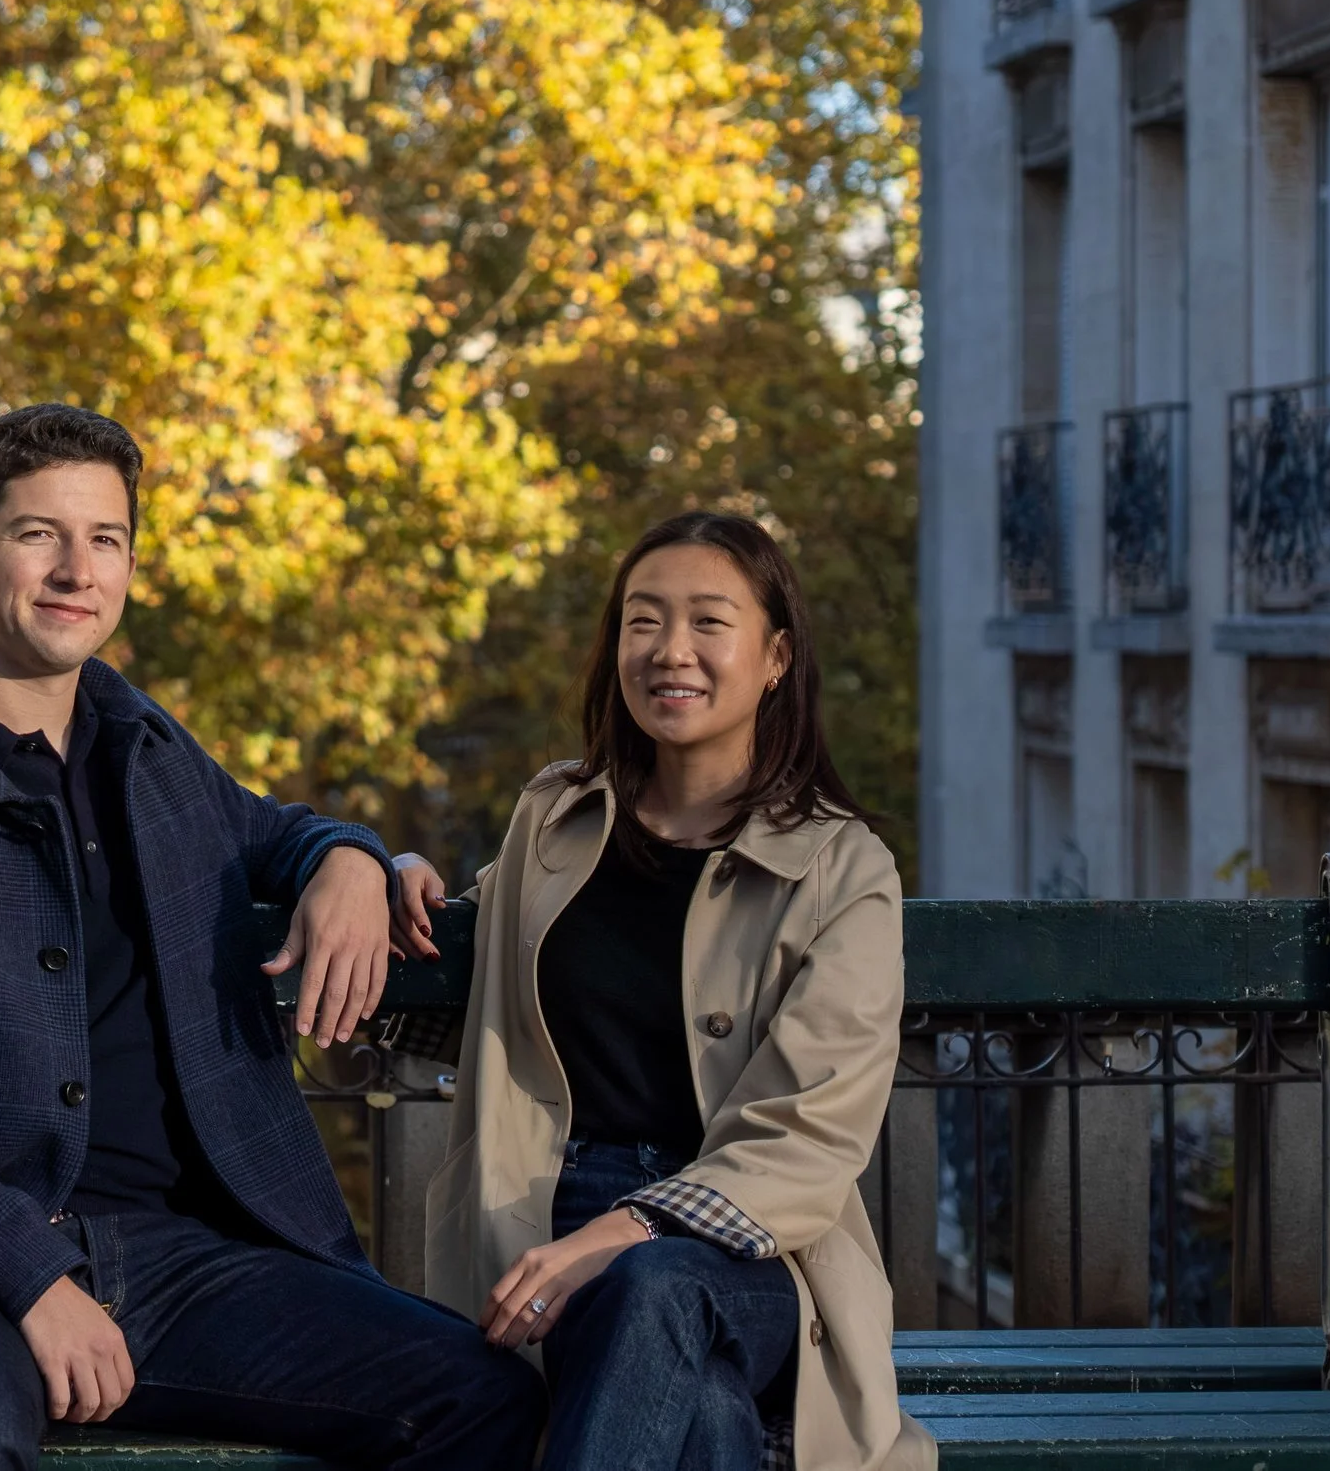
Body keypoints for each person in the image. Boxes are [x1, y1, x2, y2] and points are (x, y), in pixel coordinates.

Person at [0, 404, 542, 1471]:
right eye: (39, 534)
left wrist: (351, 857)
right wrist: (28, 1270)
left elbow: (277, 828)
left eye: (106, 539)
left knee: (485, 1394)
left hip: (189, 1257)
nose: (77, 568)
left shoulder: (146, 747)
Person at [396, 511, 936, 1471]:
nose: (669, 651)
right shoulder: (554, 819)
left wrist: (629, 1228)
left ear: (775, 656)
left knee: (653, 1292)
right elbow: (461, 991)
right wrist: (369, 867)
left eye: (707, 622)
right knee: (708, 1422)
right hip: (536, 1219)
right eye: (643, 622)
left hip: (748, 1257)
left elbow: (810, 1132)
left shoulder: (841, 868)